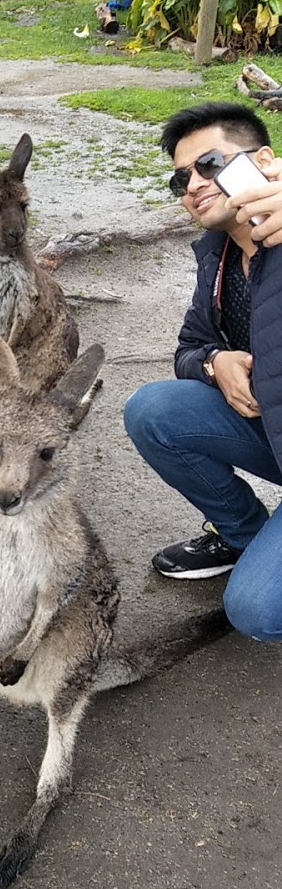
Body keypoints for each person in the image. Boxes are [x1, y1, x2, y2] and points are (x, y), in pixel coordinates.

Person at [124, 100, 282, 643]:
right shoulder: (216, 254)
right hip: (273, 432)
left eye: (211, 164)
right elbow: (189, 347)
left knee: (257, 612)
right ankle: (245, 536)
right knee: (153, 410)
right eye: (181, 179)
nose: (194, 184)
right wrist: (216, 364)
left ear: (264, 162)